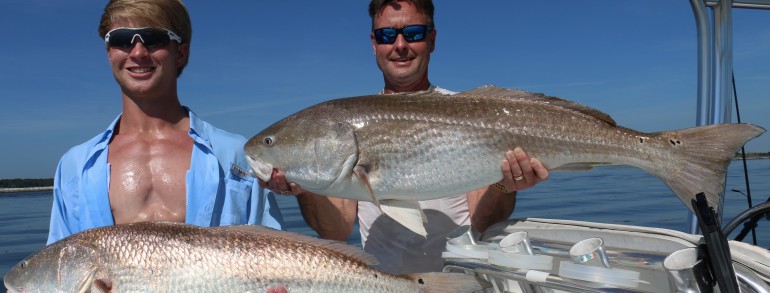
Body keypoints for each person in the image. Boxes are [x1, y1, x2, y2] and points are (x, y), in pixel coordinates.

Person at [265, 0, 549, 275]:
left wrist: (505, 186)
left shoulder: (471, 114)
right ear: (374, 44)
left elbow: (483, 221)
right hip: (388, 284)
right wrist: (303, 188)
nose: (400, 45)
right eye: (387, 35)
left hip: (463, 280)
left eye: (413, 33)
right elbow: (335, 230)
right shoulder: (348, 125)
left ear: (432, 39)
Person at [47, 0, 283, 245]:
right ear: (109, 52)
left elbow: (275, 249)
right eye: (121, 39)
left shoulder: (235, 154)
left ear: (180, 53)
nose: (138, 53)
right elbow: (59, 267)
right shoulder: (73, 166)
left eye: (153, 38)